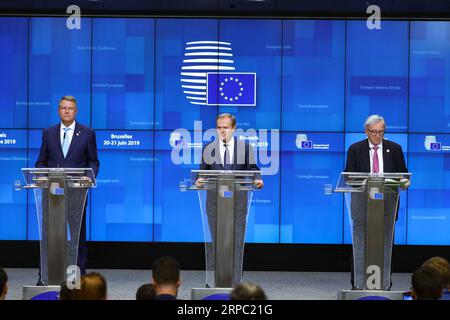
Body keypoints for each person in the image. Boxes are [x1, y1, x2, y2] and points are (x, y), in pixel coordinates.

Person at [35, 95, 100, 282]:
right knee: (50, 239)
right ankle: (45, 277)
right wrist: (41, 173)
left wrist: (89, 176)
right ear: (58, 110)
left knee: (78, 239)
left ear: (75, 111)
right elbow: (40, 162)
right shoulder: (48, 133)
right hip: (53, 194)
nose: (66, 111)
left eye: (70, 108)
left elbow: (93, 162)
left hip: (77, 194)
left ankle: (76, 278)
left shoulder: (87, 133)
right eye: (63, 108)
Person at [195, 113, 263, 286]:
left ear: (234, 129)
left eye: (225, 127)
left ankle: (236, 283)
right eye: (219, 127)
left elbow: (253, 168)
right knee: (218, 243)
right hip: (214, 202)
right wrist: (199, 181)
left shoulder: (246, 148)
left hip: (238, 201)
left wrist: (257, 179)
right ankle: (217, 281)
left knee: (236, 242)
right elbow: (203, 173)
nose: (222, 131)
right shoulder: (208, 148)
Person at [344, 114, 409, 290]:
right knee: (360, 245)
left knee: (386, 245)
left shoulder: (394, 149)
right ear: (366, 131)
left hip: (387, 206)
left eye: (380, 132)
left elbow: (403, 175)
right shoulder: (355, 149)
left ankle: (385, 285)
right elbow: (348, 177)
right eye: (373, 132)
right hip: (361, 205)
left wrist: (405, 182)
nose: (377, 136)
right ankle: (357, 285)